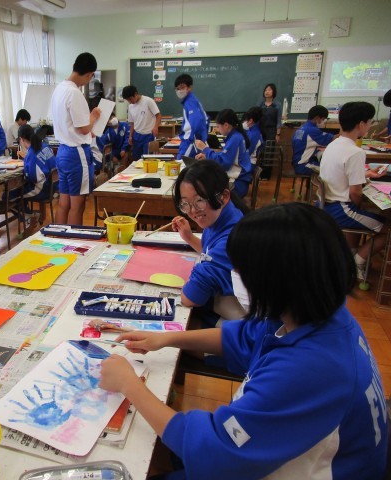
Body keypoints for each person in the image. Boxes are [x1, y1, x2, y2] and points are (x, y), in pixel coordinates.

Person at [100, 202, 388, 480]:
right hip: (259, 452)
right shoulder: (321, 313)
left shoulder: (311, 369)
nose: (235, 278)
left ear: (276, 280)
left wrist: (130, 385)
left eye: (241, 271)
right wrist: (165, 339)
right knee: (153, 445)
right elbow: (244, 336)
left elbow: (217, 453)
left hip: (261, 465)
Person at [171, 160, 247, 327]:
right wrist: (189, 238)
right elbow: (210, 252)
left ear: (224, 196)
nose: (192, 211)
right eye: (185, 203)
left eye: (199, 201)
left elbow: (190, 298)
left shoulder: (231, 239)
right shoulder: (223, 216)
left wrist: (197, 276)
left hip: (238, 324)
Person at [319, 101, 387, 280]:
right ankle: (358, 262)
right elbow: (355, 193)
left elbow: (340, 172)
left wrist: (366, 174)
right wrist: (358, 207)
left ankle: (351, 258)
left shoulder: (334, 144)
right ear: (361, 124)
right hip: (341, 208)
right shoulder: (355, 152)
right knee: (387, 229)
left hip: (326, 205)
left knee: (361, 215)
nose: (370, 125)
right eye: (370, 122)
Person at [50, 52, 101, 225]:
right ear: (90, 74)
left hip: (63, 151)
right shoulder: (74, 93)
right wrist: (94, 116)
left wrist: (87, 130)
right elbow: (83, 127)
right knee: (77, 206)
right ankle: (74, 238)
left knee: (64, 203)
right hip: (77, 154)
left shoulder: (59, 88)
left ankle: (59, 237)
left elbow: (71, 125)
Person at [195, 109, 252, 198]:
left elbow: (224, 164)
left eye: (218, 126)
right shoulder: (236, 135)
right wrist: (207, 156)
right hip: (238, 179)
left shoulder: (235, 138)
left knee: (207, 190)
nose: (217, 129)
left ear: (226, 125)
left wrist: (205, 148)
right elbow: (225, 156)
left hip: (237, 184)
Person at [15, 124, 57, 201]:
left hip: (42, 189)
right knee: (20, 189)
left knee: (7, 196)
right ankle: (25, 208)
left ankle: (23, 208)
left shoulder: (31, 153)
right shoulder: (44, 145)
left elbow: (33, 178)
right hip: (53, 186)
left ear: (21, 139)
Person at [291, 105, 337, 175]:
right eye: (323, 119)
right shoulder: (312, 130)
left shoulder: (301, 128)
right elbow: (332, 139)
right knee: (332, 169)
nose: (323, 122)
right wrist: (345, 132)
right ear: (317, 118)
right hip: (304, 166)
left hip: (297, 163)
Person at [174, 74, 209, 159]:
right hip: (194, 141)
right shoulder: (192, 100)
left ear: (189, 87)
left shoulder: (190, 102)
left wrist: (192, 139)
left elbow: (197, 119)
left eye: (182, 87)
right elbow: (206, 120)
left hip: (190, 142)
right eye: (177, 89)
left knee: (181, 164)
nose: (180, 91)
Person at [122, 85, 161, 161]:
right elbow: (132, 123)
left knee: (148, 159)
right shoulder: (130, 106)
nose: (130, 101)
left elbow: (158, 115)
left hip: (148, 135)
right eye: (127, 100)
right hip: (137, 136)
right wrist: (130, 136)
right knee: (136, 160)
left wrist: (156, 127)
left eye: (130, 99)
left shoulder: (148, 101)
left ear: (136, 94)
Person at [256, 83, 281, 179]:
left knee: (269, 152)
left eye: (269, 90)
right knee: (260, 151)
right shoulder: (260, 104)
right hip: (260, 130)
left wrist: (278, 134)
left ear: (273, 92)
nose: (267, 92)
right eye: (266, 90)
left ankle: (266, 175)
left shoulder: (277, 105)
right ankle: (258, 173)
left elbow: (278, 121)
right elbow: (256, 118)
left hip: (271, 131)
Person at [241, 107, 263, 174]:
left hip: (249, 164)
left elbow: (246, 153)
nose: (244, 122)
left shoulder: (254, 134)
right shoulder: (252, 131)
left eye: (246, 120)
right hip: (248, 162)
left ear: (250, 120)